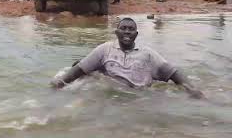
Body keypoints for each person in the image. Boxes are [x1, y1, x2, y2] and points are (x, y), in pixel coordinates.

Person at [50, 18, 204, 99]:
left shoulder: (148, 54)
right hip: (110, 96)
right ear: (116, 32)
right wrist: (58, 84)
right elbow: (78, 69)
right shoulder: (104, 49)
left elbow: (174, 74)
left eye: (131, 29)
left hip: (140, 98)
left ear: (136, 34)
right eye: (123, 28)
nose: (127, 32)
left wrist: (192, 90)